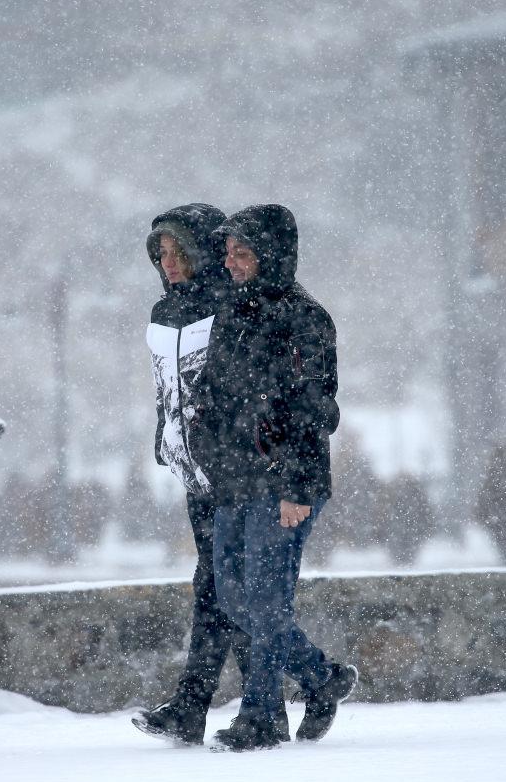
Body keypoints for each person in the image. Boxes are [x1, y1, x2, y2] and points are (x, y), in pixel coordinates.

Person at [191, 203, 358, 752]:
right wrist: (212, 461)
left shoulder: (306, 318)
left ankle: (262, 717)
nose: (232, 262)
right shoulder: (230, 312)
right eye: (229, 252)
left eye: (243, 253)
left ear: (272, 256)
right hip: (234, 483)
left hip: (284, 484)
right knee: (232, 599)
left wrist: (297, 487)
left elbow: (315, 409)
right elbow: (212, 399)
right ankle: (321, 677)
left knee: (266, 603)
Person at [131, 203, 264, 745]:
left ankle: (216, 707)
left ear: (202, 251)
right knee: (221, 588)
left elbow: (246, 392)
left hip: (235, 473)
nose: (167, 262)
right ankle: (278, 697)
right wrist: (165, 439)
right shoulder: (164, 311)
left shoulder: (232, 305)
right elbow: (167, 387)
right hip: (195, 476)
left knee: (222, 588)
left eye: (177, 251)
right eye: (161, 253)